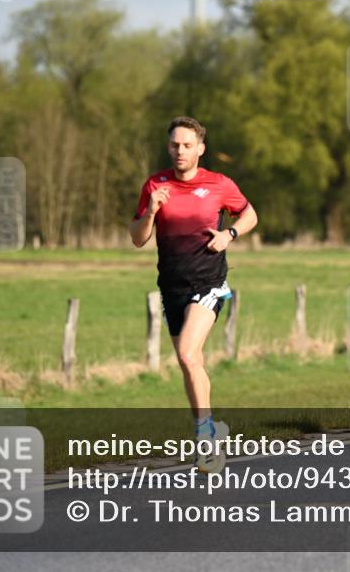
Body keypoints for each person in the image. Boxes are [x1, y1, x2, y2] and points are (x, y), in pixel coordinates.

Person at [129, 117, 257, 472]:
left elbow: (250, 214)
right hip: (172, 285)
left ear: (200, 148)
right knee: (192, 363)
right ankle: (213, 431)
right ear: (168, 146)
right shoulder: (155, 184)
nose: (180, 151)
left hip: (208, 282)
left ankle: (204, 439)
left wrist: (229, 235)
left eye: (187, 145)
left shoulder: (218, 184)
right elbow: (138, 238)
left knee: (187, 353)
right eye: (174, 145)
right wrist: (152, 210)